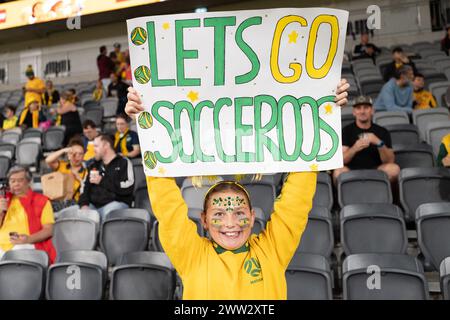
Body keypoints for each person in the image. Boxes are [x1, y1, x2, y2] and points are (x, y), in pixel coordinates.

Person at [123, 79, 349, 299]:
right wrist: (147, 128)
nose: (230, 224)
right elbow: (166, 204)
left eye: (239, 213)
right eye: (219, 214)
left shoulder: (272, 250)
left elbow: (296, 201)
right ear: (203, 219)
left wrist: (321, 111)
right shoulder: (191, 254)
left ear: (252, 218)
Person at [333, 95, 400, 183]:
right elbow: (342, 160)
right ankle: (342, 196)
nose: (362, 111)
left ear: (372, 111)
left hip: (377, 168)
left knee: (394, 169)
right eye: (358, 108)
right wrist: (355, 148)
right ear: (354, 112)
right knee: (338, 172)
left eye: (366, 108)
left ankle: (390, 196)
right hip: (352, 169)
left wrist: (378, 142)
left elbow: (390, 160)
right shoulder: (346, 131)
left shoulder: (382, 131)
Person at [0, 166, 56, 262]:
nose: (16, 184)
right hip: (2, 244)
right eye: (12, 181)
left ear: (29, 182)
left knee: (17, 253)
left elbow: (49, 230)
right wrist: (0, 212)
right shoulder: (4, 200)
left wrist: (29, 239)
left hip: (25, 245)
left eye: (20, 180)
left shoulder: (42, 201)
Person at [78, 134, 135, 220]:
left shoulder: (124, 162)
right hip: (93, 205)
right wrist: (84, 205)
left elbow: (128, 188)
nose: (94, 150)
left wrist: (102, 181)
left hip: (117, 203)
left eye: (96, 146)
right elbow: (84, 188)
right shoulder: (93, 165)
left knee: (107, 214)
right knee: (73, 213)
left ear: (106, 145)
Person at [45, 138, 88, 202]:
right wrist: (64, 150)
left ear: (83, 156)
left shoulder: (86, 172)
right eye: (74, 154)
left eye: (80, 154)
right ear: (68, 155)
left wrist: (79, 179)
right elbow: (48, 160)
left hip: (75, 204)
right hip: (58, 202)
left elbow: (87, 192)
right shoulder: (62, 165)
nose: (77, 156)